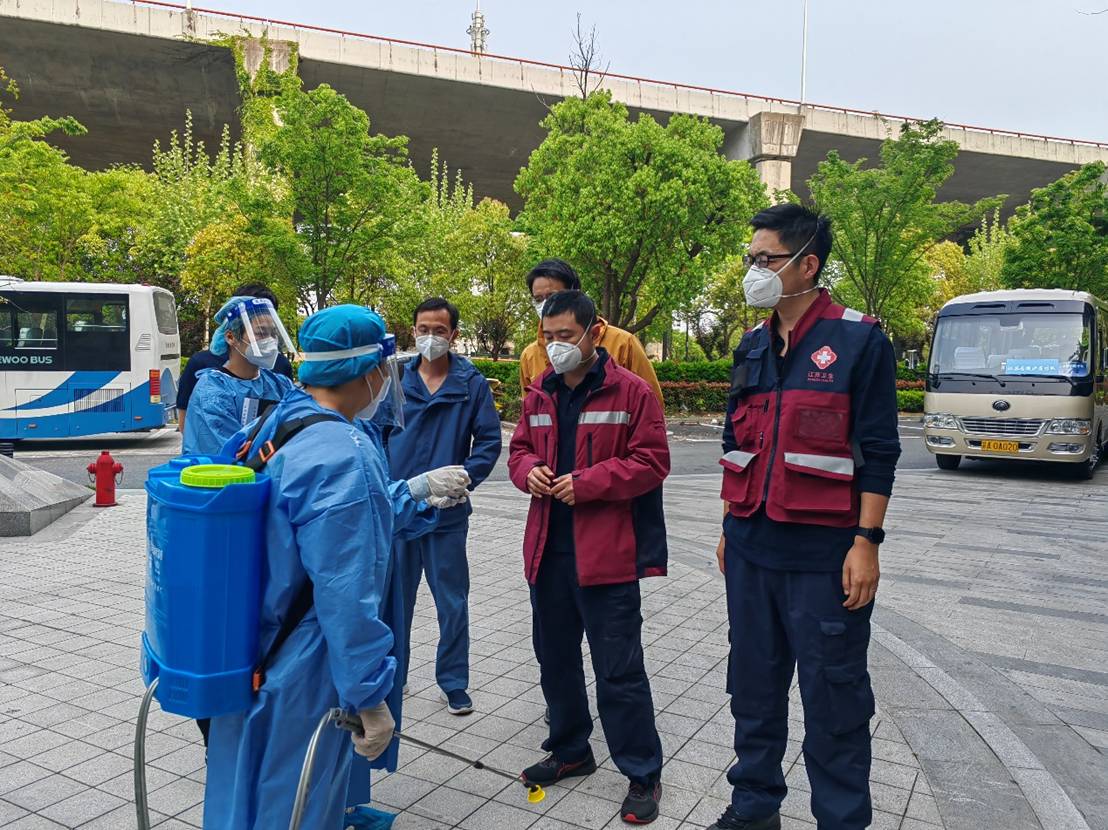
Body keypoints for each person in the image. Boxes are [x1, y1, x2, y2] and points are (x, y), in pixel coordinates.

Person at [204, 305, 470, 830]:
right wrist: (369, 696)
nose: (387, 380)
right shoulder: (345, 454)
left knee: (248, 792)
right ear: (367, 370)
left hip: (257, 642)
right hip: (305, 659)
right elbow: (346, 593)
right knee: (297, 804)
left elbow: (324, 523)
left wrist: (412, 494)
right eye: (385, 367)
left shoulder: (286, 418)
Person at [708, 204, 901, 830]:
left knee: (834, 700)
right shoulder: (751, 343)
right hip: (750, 547)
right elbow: (738, 443)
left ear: (806, 264)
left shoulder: (859, 339)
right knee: (752, 688)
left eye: (765, 259)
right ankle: (754, 806)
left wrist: (866, 542)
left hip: (823, 557)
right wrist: (728, 526)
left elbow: (879, 450)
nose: (753, 270)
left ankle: (840, 820)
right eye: (750, 258)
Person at [508, 290, 670, 826]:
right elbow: (519, 450)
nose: (555, 346)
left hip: (606, 557)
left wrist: (591, 483)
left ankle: (643, 773)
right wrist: (528, 471)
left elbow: (652, 461)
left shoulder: (632, 392)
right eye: (548, 336)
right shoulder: (540, 392)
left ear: (594, 333)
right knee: (555, 660)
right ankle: (570, 749)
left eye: (565, 336)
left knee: (619, 670)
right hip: (548, 553)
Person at [376, 298, 502, 716]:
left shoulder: (470, 383)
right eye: (423, 329)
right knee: (396, 603)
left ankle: (453, 682)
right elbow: (375, 434)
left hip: (447, 513)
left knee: (452, 603)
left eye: (440, 330)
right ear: (413, 330)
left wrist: (465, 480)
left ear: (454, 335)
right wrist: (386, 487)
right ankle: (394, 675)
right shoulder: (395, 377)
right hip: (401, 510)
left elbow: (488, 441)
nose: (430, 337)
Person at [518, 259, 663, 404]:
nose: (545, 305)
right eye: (538, 299)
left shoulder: (624, 344)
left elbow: (651, 405)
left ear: (575, 294)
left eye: (552, 296)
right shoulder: (530, 356)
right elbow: (530, 409)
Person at [180, 296, 295, 457]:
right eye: (261, 333)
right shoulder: (212, 390)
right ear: (231, 337)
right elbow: (231, 452)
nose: (270, 341)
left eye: (273, 334)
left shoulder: (279, 384)